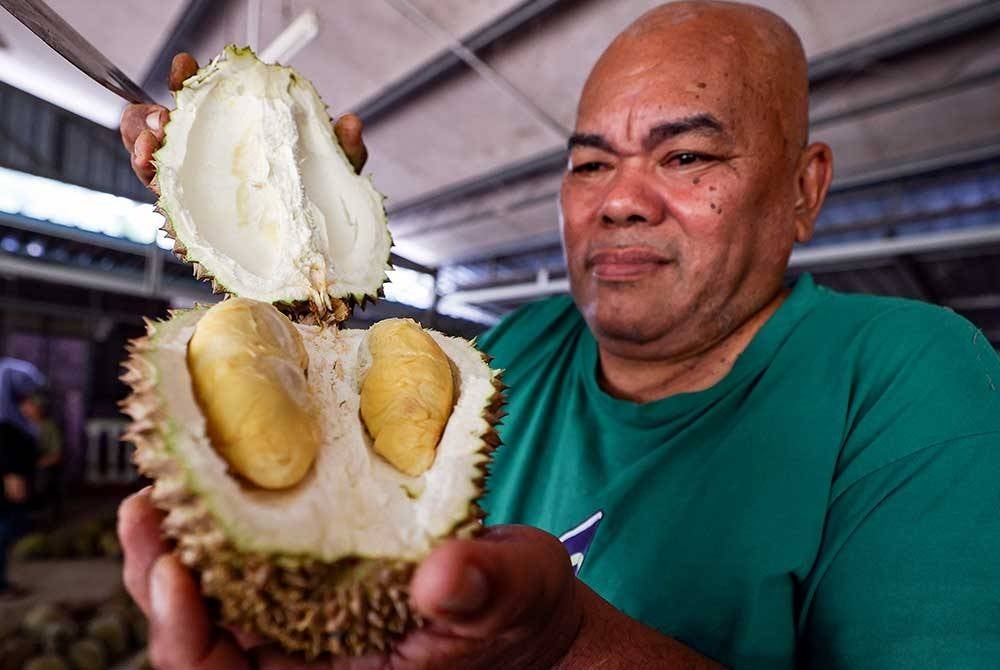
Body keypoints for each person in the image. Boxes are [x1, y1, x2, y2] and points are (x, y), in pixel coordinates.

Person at [117, 2, 1000, 668]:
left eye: (686, 156)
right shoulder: (509, 353)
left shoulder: (911, 375)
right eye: (587, 163)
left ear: (804, 190)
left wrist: (568, 647)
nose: (617, 199)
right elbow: (332, 422)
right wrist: (270, 219)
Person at [0, 357, 44, 599]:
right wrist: (13, 478)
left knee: (8, 532)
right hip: (6, 488)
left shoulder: (14, 418)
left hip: (11, 484)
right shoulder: (6, 423)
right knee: (4, 531)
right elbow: (8, 455)